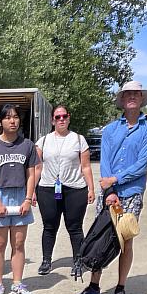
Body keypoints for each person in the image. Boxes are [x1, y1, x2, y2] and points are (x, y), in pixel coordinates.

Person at [73, 81, 147, 294]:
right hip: (110, 193)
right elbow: (105, 161)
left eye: (136, 94)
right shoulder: (110, 130)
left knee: (125, 240)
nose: (131, 97)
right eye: (127, 93)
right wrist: (109, 189)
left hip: (132, 193)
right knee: (102, 236)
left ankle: (120, 288)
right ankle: (94, 285)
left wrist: (116, 180)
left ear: (141, 98)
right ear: (122, 99)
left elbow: (142, 165)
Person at [0, 104, 39, 294]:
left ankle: (17, 283)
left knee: (19, 243)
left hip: (20, 194)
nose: (12, 121)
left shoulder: (27, 145)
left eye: (15, 117)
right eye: (8, 117)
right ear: (0, 122)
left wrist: (28, 199)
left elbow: (31, 174)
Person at [34, 105, 95, 276]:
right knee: (49, 226)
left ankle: (78, 261)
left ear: (69, 118)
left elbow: (86, 166)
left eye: (64, 116)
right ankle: (46, 261)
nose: (61, 120)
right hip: (48, 188)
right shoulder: (43, 141)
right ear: (52, 120)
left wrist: (91, 188)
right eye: (57, 117)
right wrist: (31, 191)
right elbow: (36, 168)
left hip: (75, 189)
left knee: (75, 227)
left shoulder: (78, 139)